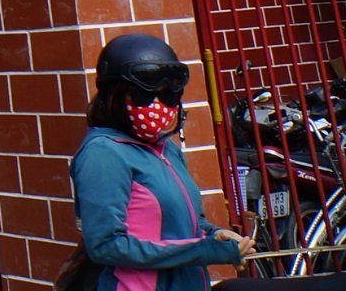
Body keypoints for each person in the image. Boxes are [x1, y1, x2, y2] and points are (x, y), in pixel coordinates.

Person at [70, 33, 346, 291]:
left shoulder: (165, 149)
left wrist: (215, 234)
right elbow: (106, 245)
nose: (158, 104)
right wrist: (202, 251)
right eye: (144, 95)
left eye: (168, 95)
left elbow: (187, 224)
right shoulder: (104, 154)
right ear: (114, 97)